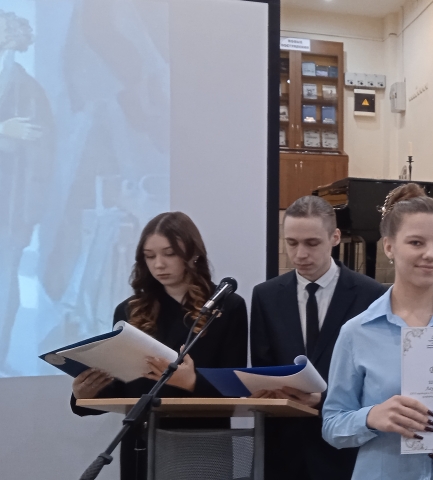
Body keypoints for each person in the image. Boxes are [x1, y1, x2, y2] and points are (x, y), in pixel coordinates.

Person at [69, 212, 248, 480]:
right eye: (149, 256)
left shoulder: (227, 307)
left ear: (193, 254)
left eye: (169, 254)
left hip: (204, 443)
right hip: (142, 442)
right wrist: (85, 395)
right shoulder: (129, 311)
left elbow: (235, 387)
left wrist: (192, 382)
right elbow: (122, 387)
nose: (159, 264)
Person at [322, 183, 433, 480]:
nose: (431, 254)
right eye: (417, 243)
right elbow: (332, 425)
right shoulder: (357, 332)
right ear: (389, 247)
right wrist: (371, 417)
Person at [249, 195, 387, 480]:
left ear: (334, 237)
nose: (300, 254)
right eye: (291, 243)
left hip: (344, 449)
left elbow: (375, 380)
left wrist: (322, 399)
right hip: (284, 448)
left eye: (311, 243)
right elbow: (264, 366)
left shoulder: (371, 295)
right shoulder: (265, 296)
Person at [0, 9, 56, 369]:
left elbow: (41, 157)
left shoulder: (27, 89)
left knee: (5, 285)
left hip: (9, 212)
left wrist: (27, 217)